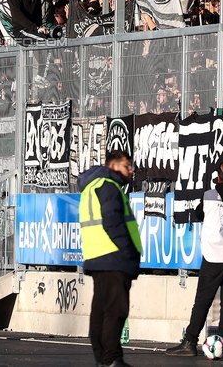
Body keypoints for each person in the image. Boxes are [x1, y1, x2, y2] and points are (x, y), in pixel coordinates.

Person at [167, 161, 223, 358]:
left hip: (213, 257)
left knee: (202, 302)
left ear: (218, 178)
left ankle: (190, 341)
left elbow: (199, 214)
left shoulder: (208, 196)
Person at [77, 150, 142, 367]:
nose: (131, 171)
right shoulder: (109, 186)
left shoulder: (92, 186)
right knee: (115, 310)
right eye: (127, 166)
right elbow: (112, 222)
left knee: (100, 310)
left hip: (97, 255)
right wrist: (128, 252)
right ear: (113, 166)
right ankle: (112, 358)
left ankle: (103, 359)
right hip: (114, 256)